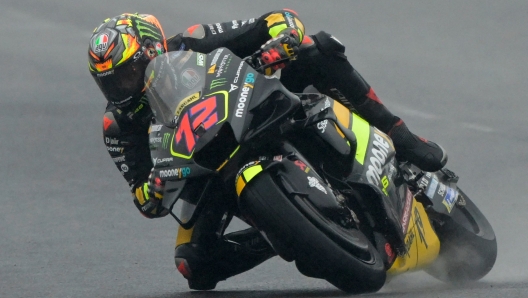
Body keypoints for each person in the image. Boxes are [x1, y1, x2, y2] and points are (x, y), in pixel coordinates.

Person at [88, 10, 447, 290]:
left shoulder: (192, 41)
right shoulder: (118, 126)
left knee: (314, 49)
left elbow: (274, 20)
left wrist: (282, 39)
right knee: (193, 265)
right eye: (111, 83)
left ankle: (403, 137)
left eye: (127, 74)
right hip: (205, 171)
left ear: (152, 49)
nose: (122, 88)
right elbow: (143, 198)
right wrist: (153, 188)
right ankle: (281, 232)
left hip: (258, 112)